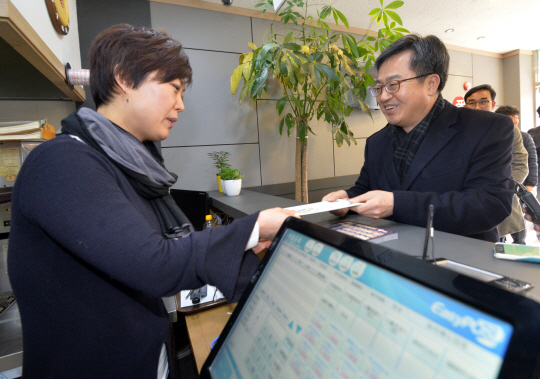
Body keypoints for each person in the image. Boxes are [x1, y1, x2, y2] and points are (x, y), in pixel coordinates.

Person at [7, 24, 297, 378]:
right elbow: (153, 263)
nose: (181, 105)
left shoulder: (127, 164)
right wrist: (254, 228)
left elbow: (167, 251)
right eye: (174, 89)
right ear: (125, 78)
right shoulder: (62, 162)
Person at [322, 34, 514, 242]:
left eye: (393, 84)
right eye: (378, 87)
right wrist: (347, 200)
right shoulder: (376, 142)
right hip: (391, 258)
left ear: (431, 84)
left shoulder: (487, 128)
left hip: (461, 264)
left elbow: (489, 205)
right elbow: (366, 189)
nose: (383, 96)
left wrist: (397, 204)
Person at [463, 85, 528, 243]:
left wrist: (506, 188)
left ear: (493, 104)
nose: (477, 106)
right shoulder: (460, 130)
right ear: (465, 106)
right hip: (468, 201)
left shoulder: (507, 128)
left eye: (483, 101)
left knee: (503, 244)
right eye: (472, 102)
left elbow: (520, 162)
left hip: (500, 198)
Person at [495, 105, 537, 244]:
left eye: (516, 117)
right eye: (512, 118)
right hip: (507, 186)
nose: (515, 121)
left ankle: (520, 244)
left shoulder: (524, 135)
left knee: (517, 222)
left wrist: (530, 183)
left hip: (515, 184)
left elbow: (529, 160)